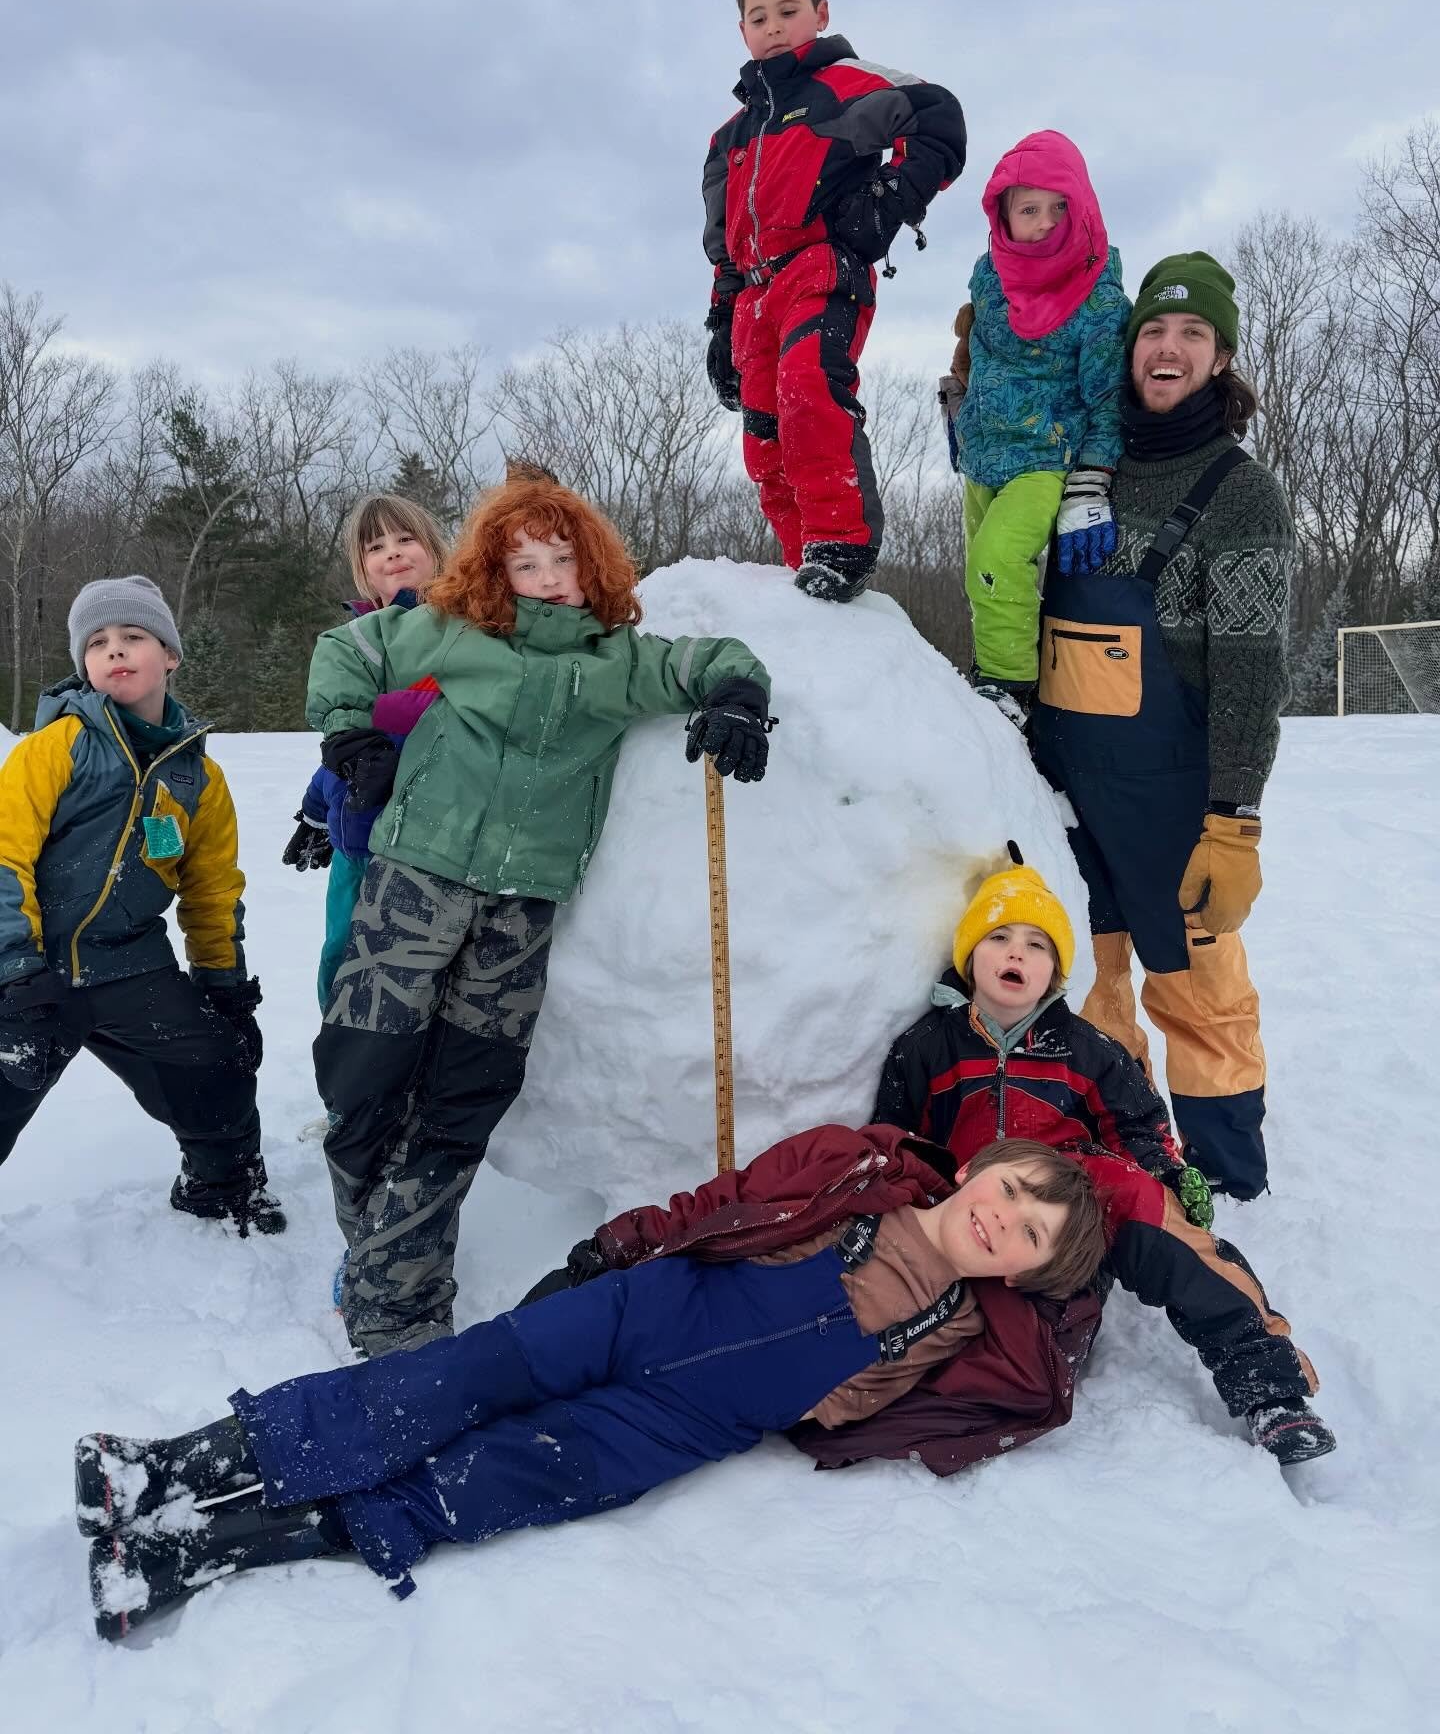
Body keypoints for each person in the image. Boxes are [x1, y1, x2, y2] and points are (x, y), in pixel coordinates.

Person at [76, 1133, 1105, 1640]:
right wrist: (615, 1246)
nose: (1001, 1218)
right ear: (982, 1168)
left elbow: (1011, 1389)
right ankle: (162, 1468)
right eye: (1009, 1191)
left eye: (1028, 1235)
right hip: (650, 1306)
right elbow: (729, 1198)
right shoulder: (858, 1167)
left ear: (1023, 1272)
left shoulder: (964, 1326)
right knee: (444, 1382)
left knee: (473, 1486)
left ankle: (187, 1553)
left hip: (682, 1424)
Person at [306, 468, 776, 1358]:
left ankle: (398, 1308)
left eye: (562, 557)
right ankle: (382, 1259)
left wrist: (737, 702)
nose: (548, 576)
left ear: (591, 564)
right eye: (525, 563)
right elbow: (349, 655)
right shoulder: (455, 633)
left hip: (522, 909)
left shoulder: (617, 663)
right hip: (416, 878)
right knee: (363, 1073)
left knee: (464, 1094)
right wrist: (347, 734)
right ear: (495, 573)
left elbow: (714, 659)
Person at [874, 854, 1334, 1464]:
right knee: (998, 1319)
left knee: (1152, 1218)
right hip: (978, 1200)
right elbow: (895, 1137)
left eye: (1037, 945)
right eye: (1000, 937)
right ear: (968, 955)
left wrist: (1167, 1175)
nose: (1017, 954)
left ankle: (1269, 1388)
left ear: (1057, 970)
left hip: (1073, 1187)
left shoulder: (1088, 1048)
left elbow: (1138, 1124)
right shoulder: (927, 1048)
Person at [1027, 254, 1292, 1200]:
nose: (1168, 347)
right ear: (1130, 349)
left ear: (1220, 358)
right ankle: (1122, 1164)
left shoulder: (1240, 493)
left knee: (1200, 996)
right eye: (1153, 330)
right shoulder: (1078, 470)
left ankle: (1228, 1177)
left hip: (1179, 797)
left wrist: (1234, 816)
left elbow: (1252, 674)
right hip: (1066, 784)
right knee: (1094, 991)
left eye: (1192, 334)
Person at [0, 576, 282, 1232]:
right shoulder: (56, 748)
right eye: (97, 643)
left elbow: (212, 891)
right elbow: (4, 855)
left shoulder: (196, 778)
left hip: (130, 967)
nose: (114, 650)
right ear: (84, 667)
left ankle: (221, 1187)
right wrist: (15, 975)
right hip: (31, 971)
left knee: (218, 1067)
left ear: (171, 656)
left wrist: (226, 989)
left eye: (133, 636)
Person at [703, 0, 966, 603]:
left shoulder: (846, 83)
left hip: (822, 266)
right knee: (762, 431)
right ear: (741, 29)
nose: (772, 27)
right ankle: (800, 564)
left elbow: (939, 118)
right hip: (754, 297)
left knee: (807, 391)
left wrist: (886, 200)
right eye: (758, 17)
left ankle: (837, 545)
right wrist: (718, 320)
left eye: (787, 11)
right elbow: (724, 244)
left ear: (819, 13)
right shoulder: (730, 137)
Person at [938, 130, 1130, 727]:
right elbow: (981, 350)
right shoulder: (988, 275)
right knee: (981, 577)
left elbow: (1109, 398)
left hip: (1047, 456)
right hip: (982, 454)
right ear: (1003, 216)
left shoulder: (1098, 296)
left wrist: (1092, 478)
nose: (1044, 222)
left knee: (998, 557)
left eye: (1059, 207)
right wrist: (959, 398)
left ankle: (1009, 692)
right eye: (1029, 209)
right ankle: (990, 670)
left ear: (1083, 209)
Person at [280, 493, 450, 1008]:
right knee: (342, 953)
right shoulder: (354, 642)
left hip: (434, 837)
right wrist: (314, 813)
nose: (393, 553)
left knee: (421, 965)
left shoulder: (461, 631)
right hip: (359, 836)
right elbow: (343, 745)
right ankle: (340, 1053)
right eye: (376, 546)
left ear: (436, 550)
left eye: (406, 538)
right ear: (364, 570)